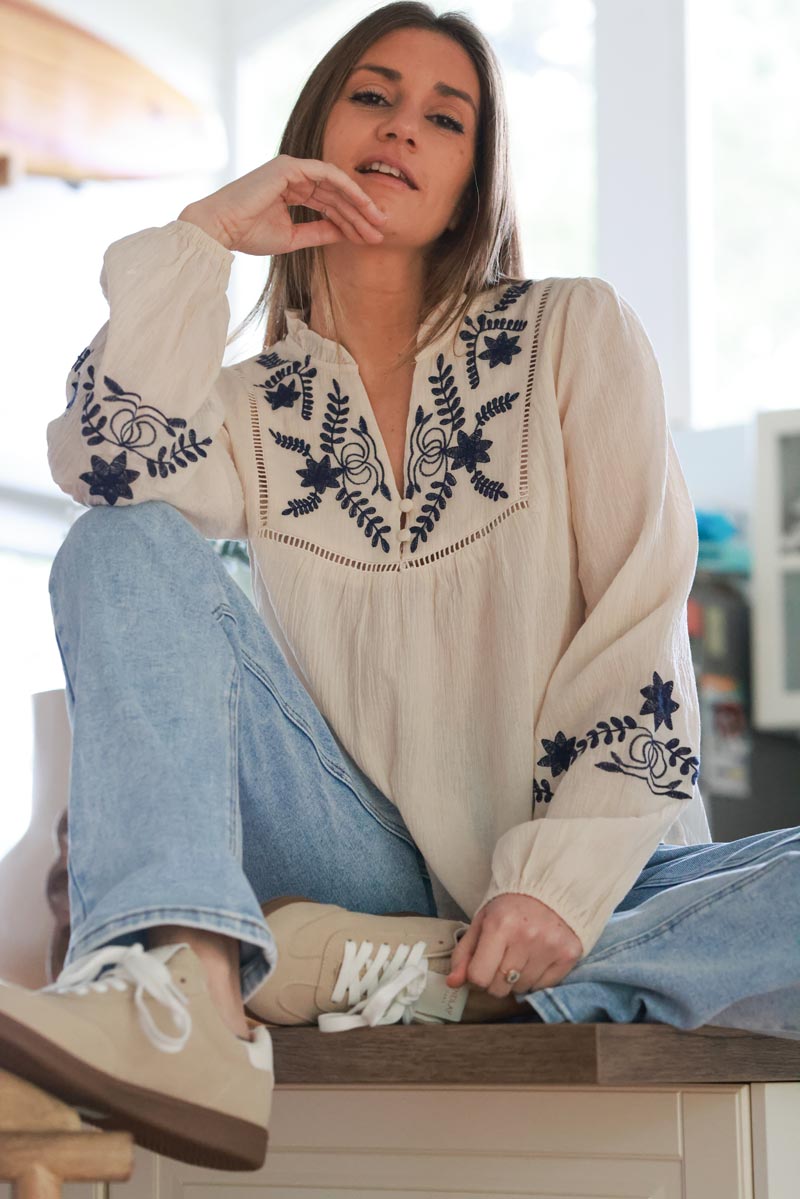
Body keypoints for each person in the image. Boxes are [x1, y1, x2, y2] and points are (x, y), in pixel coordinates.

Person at [1, 0, 797, 1176]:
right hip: (346, 850)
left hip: (589, 872)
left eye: (446, 115)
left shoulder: (571, 333)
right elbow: (107, 462)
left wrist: (554, 888)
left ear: (477, 172)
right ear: (316, 124)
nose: (401, 128)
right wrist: (206, 234)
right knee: (118, 542)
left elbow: (635, 630)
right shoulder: (239, 407)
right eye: (371, 95)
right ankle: (178, 986)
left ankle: (416, 975)